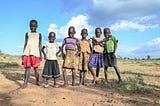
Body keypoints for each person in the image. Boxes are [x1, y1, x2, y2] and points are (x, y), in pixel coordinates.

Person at [22, 19, 42, 89]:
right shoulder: (27, 34)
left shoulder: (39, 34)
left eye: (34, 26)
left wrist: (41, 54)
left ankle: (37, 81)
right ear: (29, 26)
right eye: (31, 26)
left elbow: (40, 45)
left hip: (36, 53)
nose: (32, 27)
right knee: (27, 68)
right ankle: (25, 83)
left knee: (36, 69)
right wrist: (23, 53)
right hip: (27, 52)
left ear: (37, 26)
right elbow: (25, 43)